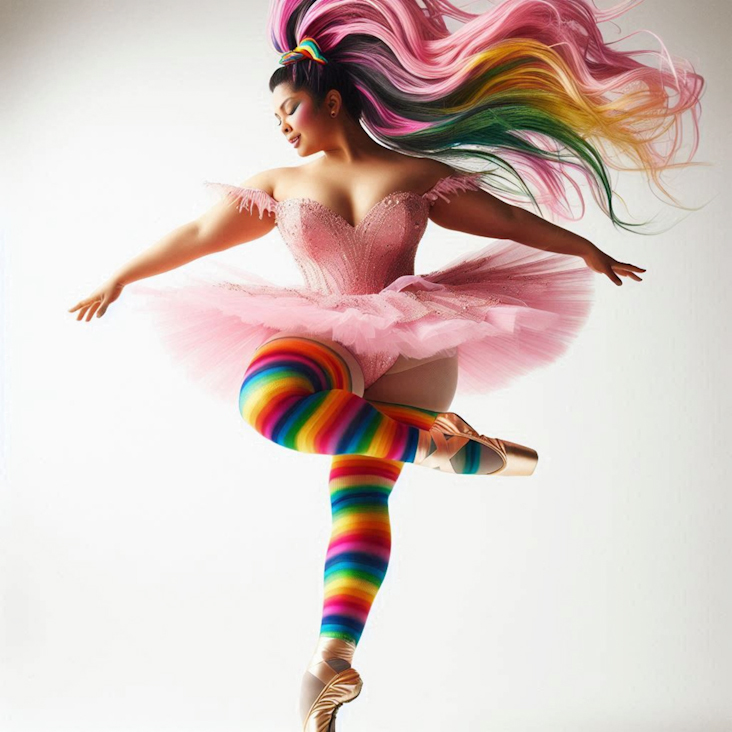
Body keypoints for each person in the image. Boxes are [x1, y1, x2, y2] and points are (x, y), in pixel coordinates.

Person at [67, 0, 704, 728]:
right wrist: (122, 275)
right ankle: (444, 448)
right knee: (270, 402)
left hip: (413, 339)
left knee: (359, 504)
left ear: (329, 99)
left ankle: (331, 661)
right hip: (322, 336)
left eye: (289, 109)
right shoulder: (279, 184)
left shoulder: (417, 174)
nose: (281, 125)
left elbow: (507, 221)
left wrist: (585, 249)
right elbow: (198, 233)